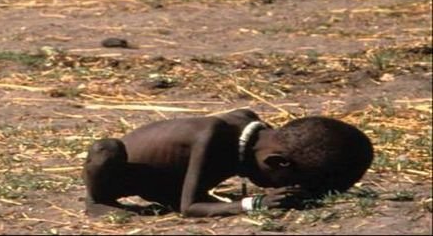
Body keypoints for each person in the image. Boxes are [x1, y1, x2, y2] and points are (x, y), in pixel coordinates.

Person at [83, 108, 374, 217]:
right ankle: (97, 201)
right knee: (105, 150)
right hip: (127, 176)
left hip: (166, 184)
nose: (284, 188)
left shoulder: (252, 127)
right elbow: (190, 207)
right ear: (277, 163)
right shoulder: (211, 137)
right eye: (287, 182)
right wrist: (253, 204)